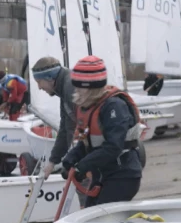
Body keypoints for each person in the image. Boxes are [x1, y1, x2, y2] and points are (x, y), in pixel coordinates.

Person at [60, 56, 144, 207]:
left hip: (122, 175)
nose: (76, 89)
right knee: (90, 213)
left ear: (91, 86)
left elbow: (113, 147)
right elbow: (87, 142)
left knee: (99, 219)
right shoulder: (88, 105)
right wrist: (70, 160)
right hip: (102, 174)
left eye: (80, 86)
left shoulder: (114, 107)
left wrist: (83, 166)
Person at [30, 56, 76, 181]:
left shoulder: (69, 88)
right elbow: (65, 129)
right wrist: (52, 162)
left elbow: (78, 129)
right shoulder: (63, 89)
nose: (39, 87)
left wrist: (74, 159)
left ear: (49, 78)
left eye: (39, 82)